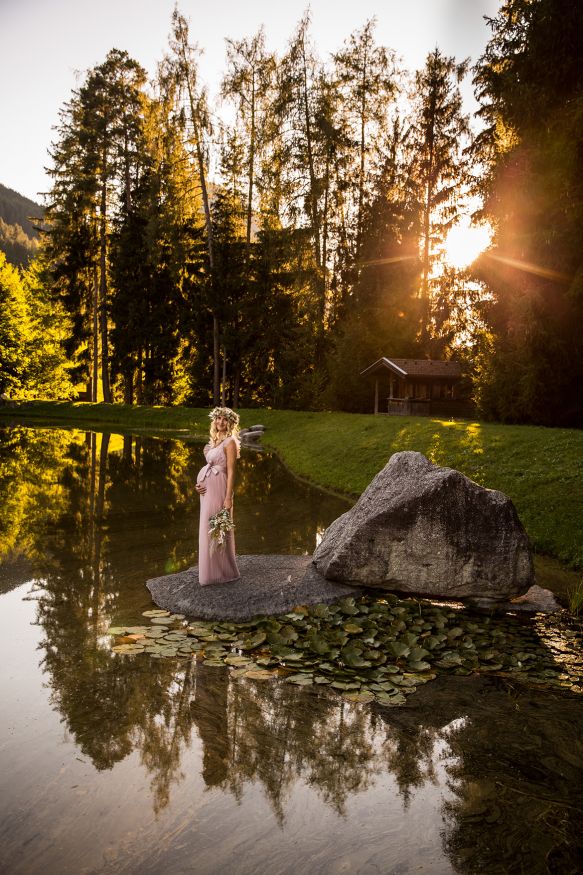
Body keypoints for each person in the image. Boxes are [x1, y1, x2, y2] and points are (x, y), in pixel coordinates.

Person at [195, 406, 241, 586]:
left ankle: (224, 572)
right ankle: (210, 572)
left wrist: (228, 497)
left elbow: (231, 472)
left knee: (218, 528)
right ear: (214, 421)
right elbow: (208, 468)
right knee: (208, 527)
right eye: (218, 418)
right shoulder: (213, 441)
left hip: (220, 489)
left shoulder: (230, 442)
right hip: (207, 492)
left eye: (224, 419)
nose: (220, 422)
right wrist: (199, 484)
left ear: (230, 423)